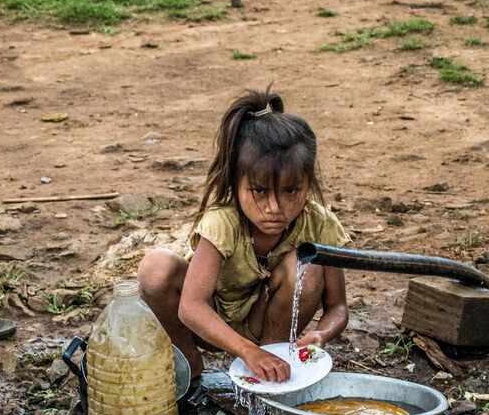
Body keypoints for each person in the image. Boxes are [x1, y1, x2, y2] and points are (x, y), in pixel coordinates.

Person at [138, 88, 351, 383]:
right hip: (212, 328)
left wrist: (321, 333)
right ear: (236, 183)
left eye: (291, 190)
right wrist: (246, 350)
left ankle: (271, 370)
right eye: (260, 191)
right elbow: (191, 307)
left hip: (271, 330)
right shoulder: (223, 221)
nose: (274, 208)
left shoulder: (319, 224)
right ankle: (188, 369)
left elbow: (338, 307)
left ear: (308, 183)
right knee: (155, 268)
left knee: (308, 266)